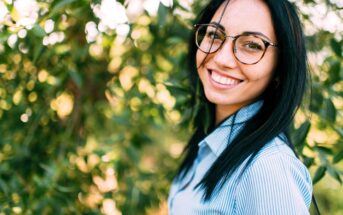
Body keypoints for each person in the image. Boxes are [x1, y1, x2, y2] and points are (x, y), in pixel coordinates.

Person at [168, 0, 315, 214]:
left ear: (280, 69)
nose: (222, 58)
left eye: (252, 45)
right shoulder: (211, 144)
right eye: (214, 35)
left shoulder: (267, 168)